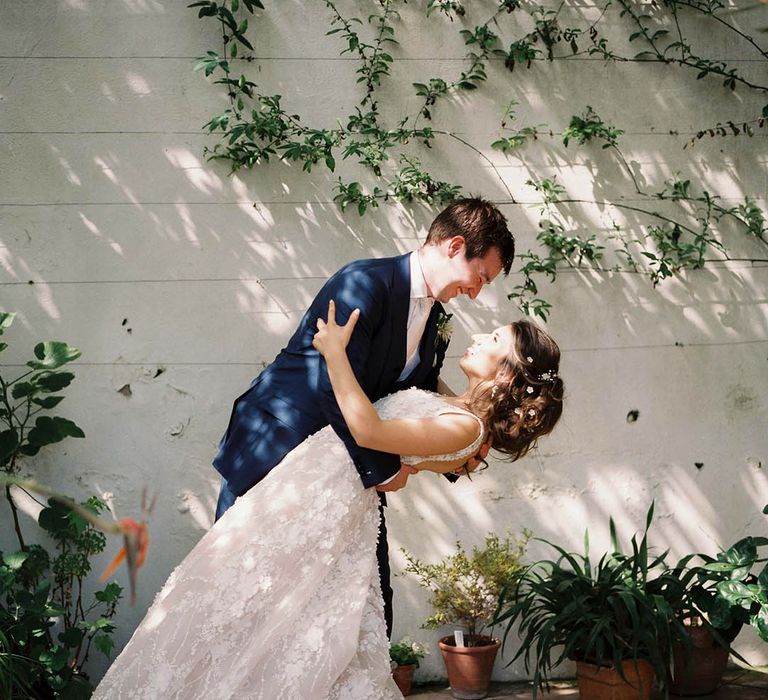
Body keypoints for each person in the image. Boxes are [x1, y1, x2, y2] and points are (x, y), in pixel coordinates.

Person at [93, 309, 564, 699]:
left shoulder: (468, 429)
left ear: (508, 372)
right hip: (313, 483)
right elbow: (402, 452)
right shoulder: (459, 410)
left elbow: (370, 431)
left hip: (323, 496)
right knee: (246, 601)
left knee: (259, 607)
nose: (479, 336)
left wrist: (336, 353)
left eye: (495, 338)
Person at [212, 197, 515, 635]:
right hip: (277, 455)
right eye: (481, 276)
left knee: (362, 616)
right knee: (244, 604)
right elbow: (329, 385)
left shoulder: (435, 320)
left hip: (341, 476)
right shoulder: (364, 284)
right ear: (454, 246)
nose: (476, 291)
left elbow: (416, 390)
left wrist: (471, 438)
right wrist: (383, 467)